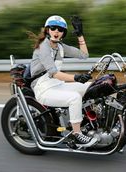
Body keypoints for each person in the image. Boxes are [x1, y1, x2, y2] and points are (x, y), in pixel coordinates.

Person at [27, 15, 97, 147]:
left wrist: (80, 35)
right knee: (75, 97)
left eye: (60, 29)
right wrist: (75, 78)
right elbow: (53, 73)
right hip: (43, 88)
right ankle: (77, 134)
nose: (56, 31)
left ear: (63, 33)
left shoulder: (61, 47)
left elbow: (84, 55)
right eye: (53, 28)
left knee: (91, 87)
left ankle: (91, 122)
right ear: (48, 30)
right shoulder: (43, 47)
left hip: (57, 85)